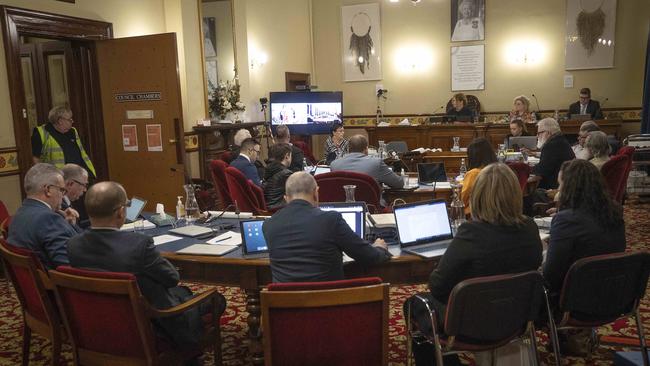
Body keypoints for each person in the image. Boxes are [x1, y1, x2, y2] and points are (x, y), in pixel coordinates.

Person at [404, 163, 542, 366]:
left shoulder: (471, 233)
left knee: (414, 304)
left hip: (471, 325)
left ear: (478, 195)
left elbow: (438, 285)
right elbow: (535, 264)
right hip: (517, 318)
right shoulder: (530, 228)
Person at [67, 181, 226, 350]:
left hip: (99, 324)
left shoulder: (73, 245)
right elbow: (172, 278)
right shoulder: (138, 245)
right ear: (121, 212)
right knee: (217, 299)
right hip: (151, 323)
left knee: (183, 292)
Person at [263, 172, 391, 283]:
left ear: (286, 198)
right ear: (316, 193)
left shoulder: (268, 225)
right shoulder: (331, 220)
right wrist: (379, 248)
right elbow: (369, 256)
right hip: (328, 306)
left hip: (285, 307)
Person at [543, 159, 625, 295]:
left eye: (560, 185)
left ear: (569, 187)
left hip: (574, 299)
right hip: (614, 293)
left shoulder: (566, 220)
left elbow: (550, 275)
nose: (559, 190)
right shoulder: (615, 211)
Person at [7, 163, 78, 269]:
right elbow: (69, 266)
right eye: (62, 190)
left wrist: (67, 224)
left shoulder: (19, 214)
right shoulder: (49, 219)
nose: (63, 196)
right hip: (57, 283)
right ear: (48, 190)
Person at [31, 106, 96, 178]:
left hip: (78, 175)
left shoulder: (73, 131)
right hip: (57, 178)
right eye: (69, 119)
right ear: (60, 121)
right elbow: (35, 159)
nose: (72, 121)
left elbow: (81, 153)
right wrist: (42, 177)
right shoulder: (42, 133)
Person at [330, 135, 404, 189]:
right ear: (366, 149)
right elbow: (399, 184)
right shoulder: (376, 163)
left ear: (349, 149)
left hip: (344, 208)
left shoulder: (334, 165)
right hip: (371, 208)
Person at [529, 118, 575, 190]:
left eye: (539, 133)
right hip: (565, 183)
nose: (537, 136)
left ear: (548, 133)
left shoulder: (552, 145)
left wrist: (527, 169)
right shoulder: (560, 140)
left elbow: (542, 170)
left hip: (555, 188)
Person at [460, 138, 497, 215]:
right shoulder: (498, 170)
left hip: (474, 214)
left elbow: (462, 200)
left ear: (473, 156)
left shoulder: (473, 173)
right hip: (495, 213)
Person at [263, 143, 293, 209]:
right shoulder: (286, 174)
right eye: (291, 155)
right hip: (279, 209)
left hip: (269, 208)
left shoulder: (268, 170)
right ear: (287, 156)